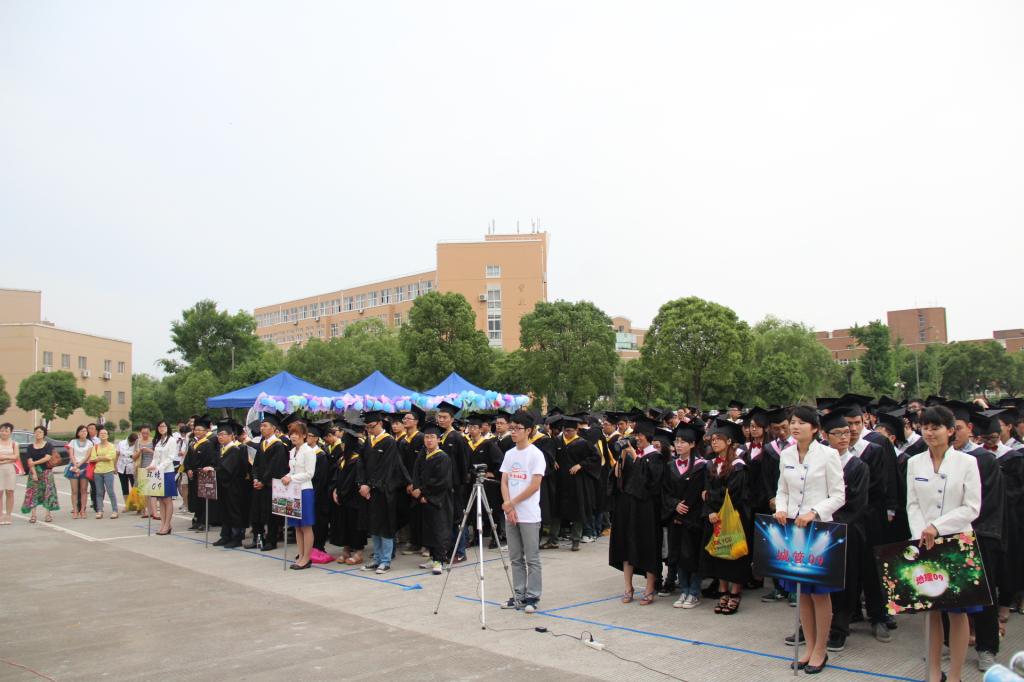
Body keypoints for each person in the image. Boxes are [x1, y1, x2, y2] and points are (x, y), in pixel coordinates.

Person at [907, 406, 981, 682]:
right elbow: (912, 504)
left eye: (935, 427)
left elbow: (972, 507)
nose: (929, 432)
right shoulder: (914, 463)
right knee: (931, 611)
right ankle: (934, 671)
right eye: (925, 427)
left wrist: (938, 527)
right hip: (924, 544)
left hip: (956, 543)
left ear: (950, 431)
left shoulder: (967, 463)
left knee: (957, 612)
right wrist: (920, 534)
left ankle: (956, 675)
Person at [774, 406, 845, 674]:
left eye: (802, 423)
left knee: (819, 593)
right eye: (793, 422)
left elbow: (838, 495)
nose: (795, 426)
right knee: (801, 591)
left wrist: (814, 512)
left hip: (818, 531)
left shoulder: (828, 455)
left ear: (815, 428)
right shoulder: (786, 454)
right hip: (793, 530)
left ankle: (820, 650)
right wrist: (781, 508)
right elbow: (782, 489)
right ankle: (809, 646)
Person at [820, 410, 870, 653]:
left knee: (845, 581)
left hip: (847, 530)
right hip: (819, 529)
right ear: (825, 435)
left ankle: (840, 627)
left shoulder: (857, 466)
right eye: (837, 433)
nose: (844, 437)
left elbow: (857, 505)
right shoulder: (818, 463)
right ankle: (813, 625)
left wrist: (833, 523)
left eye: (846, 433)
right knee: (817, 580)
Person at [610, 415, 665, 606]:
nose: (637, 438)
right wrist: (622, 457)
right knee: (627, 546)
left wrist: (634, 455)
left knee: (647, 546)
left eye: (640, 435)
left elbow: (652, 483)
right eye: (635, 435)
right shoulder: (632, 454)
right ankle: (628, 587)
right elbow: (617, 478)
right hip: (627, 508)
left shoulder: (656, 457)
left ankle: (649, 588)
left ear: (648, 436)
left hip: (646, 510)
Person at [499, 411, 546, 612]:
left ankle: (532, 596)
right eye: (512, 428)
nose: (513, 432)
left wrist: (512, 503)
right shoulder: (510, 454)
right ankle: (518, 594)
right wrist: (507, 504)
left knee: (532, 558)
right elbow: (504, 481)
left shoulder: (536, 454)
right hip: (511, 513)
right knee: (515, 557)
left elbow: (534, 485)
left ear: (528, 430)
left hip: (528, 514)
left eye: (517, 428)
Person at [356, 410, 411, 574]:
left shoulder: (389, 442)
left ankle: (386, 560)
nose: (369, 430)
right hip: (368, 491)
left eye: (371, 426)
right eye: (367, 427)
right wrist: (362, 483)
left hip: (384, 490)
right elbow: (361, 463)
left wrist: (370, 485)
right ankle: (377, 558)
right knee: (373, 525)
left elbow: (386, 468)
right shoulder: (369, 441)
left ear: (380, 423)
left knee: (385, 525)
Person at [662, 422, 707, 608]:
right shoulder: (670, 466)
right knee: (678, 554)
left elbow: (702, 493)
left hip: (694, 518)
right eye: (676, 441)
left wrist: (687, 507)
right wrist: (675, 505)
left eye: (683, 442)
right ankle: (684, 590)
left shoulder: (702, 466)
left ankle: (694, 591)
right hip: (676, 517)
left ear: (693, 444)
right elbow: (664, 492)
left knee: (693, 554)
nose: (678, 445)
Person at [549, 416, 600, 551]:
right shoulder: (557, 441)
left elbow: (595, 457)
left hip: (576, 482)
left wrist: (581, 465)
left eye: (570, 431)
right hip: (560, 481)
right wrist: (552, 460)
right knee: (556, 511)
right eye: (565, 430)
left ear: (576, 430)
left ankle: (575, 540)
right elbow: (548, 453)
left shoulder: (583, 443)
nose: (567, 433)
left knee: (577, 511)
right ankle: (552, 540)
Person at [411, 421, 453, 575]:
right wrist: (418, 491)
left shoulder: (443, 457)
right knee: (428, 530)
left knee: (438, 530)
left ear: (438, 440)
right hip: (424, 498)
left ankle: (439, 560)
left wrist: (424, 493)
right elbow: (416, 474)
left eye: (432, 437)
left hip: (438, 500)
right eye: (426, 437)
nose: (429, 440)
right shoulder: (423, 455)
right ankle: (432, 557)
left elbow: (441, 482)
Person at [331, 419, 368, 565]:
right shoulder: (343, 459)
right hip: (343, 498)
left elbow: (352, 481)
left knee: (355, 525)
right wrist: (335, 490)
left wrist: (342, 492)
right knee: (344, 524)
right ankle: (346, 550)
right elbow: (336, 477)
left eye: (344, 443)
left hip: (354, 498)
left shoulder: (357, 460)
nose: (342, 445)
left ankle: (358, 552)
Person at [209, 419, 251, 549]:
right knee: (224, 511)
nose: (220, 437)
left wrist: (213, 470)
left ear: (231, 436)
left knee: (234, 511)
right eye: (219, 435)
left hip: (235, 487)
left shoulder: (236, 450)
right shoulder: (222, 449)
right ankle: (225, 535)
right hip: (224, 486)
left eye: (223, 434)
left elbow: (227, 468)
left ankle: (236, 537)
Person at [21, 426, 59, 522]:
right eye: (36, 432)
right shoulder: (30, 447)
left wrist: (35, 462)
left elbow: (47, 457)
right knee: (33, 492)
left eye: (40, 432)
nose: (38, 434)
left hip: (46, 472)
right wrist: (34, 473)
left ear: (44, 434)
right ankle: (33, 515)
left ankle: (48, 515)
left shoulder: (48, 445)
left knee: (48, 492)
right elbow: (29, 461)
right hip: (34, 472)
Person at [150, 421, 178, 535]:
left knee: (167, 499)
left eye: (164, 426)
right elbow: (155, 457)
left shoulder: (171, 440)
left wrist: (159, 467)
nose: (161, 428)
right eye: (160, 426)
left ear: (168, 427)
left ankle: (167, 524)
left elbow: (171, 457)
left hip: (167, 472)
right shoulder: (158, 441)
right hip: (158, 473)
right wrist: (151, 466)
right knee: (161, 500)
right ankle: (163, 524)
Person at [89, 427, 119, 518]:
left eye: (104, 433)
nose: (103, 435)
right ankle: (99, 510)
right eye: (101, 433)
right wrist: (103, 457)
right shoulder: (95, 446)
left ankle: (115, 510)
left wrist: (99, 458)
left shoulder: (111, 446)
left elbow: (110, 457)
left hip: (108, 471)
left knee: (110, 491)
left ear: (107, 436)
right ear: (98, 435)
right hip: (97, 472)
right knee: (99, 492)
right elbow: (92, 458)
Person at [65, 425, 92, 519]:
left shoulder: (89, 443)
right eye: (81, 431)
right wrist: (75, 465)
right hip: (73, 466)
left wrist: (79, 464)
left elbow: (87, 456)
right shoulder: (73, 442)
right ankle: (75, 510)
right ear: (78, 433)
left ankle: (83, 510)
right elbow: (71, 454)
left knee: (84, 490)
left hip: (84, 466)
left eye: (85, 431)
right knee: (74, 490)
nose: (84, 433)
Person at [133, 426, 157, 519]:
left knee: (153, 491)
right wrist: (139, 451)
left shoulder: (154, 440)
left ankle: (154, 511)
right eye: (143, 433)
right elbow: (134, 457)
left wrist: (149, 450)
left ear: (150, 432)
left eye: (147, 433)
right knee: (144, 491)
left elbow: (158, 454)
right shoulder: (137, 441)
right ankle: (147, 510)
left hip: (152, 466)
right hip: (141, 466)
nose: (145, 435)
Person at [0, 423, 17, 524]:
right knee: (0, 492)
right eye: (2, 430)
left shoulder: (14, 444)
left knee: (10, 492)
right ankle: (0, 515)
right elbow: (12, 457)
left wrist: (4, 458)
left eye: (6, 431)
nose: (3, 433)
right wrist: (10, 458)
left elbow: (16, 457)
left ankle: (8, 515)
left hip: (10, 470)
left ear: (10, 432)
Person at [116, 432, 138, 498]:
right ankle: (126, 503)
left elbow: (137, 456)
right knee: (124, 487)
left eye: (133, 443)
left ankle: (135, 502)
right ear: (128, 439)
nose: (131, 444)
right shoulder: (121, 443)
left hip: (132, 468)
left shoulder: (137, 444)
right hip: (121, 467)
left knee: (135, 487)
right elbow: (117, 455)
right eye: (130, 442)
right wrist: (114, 466)